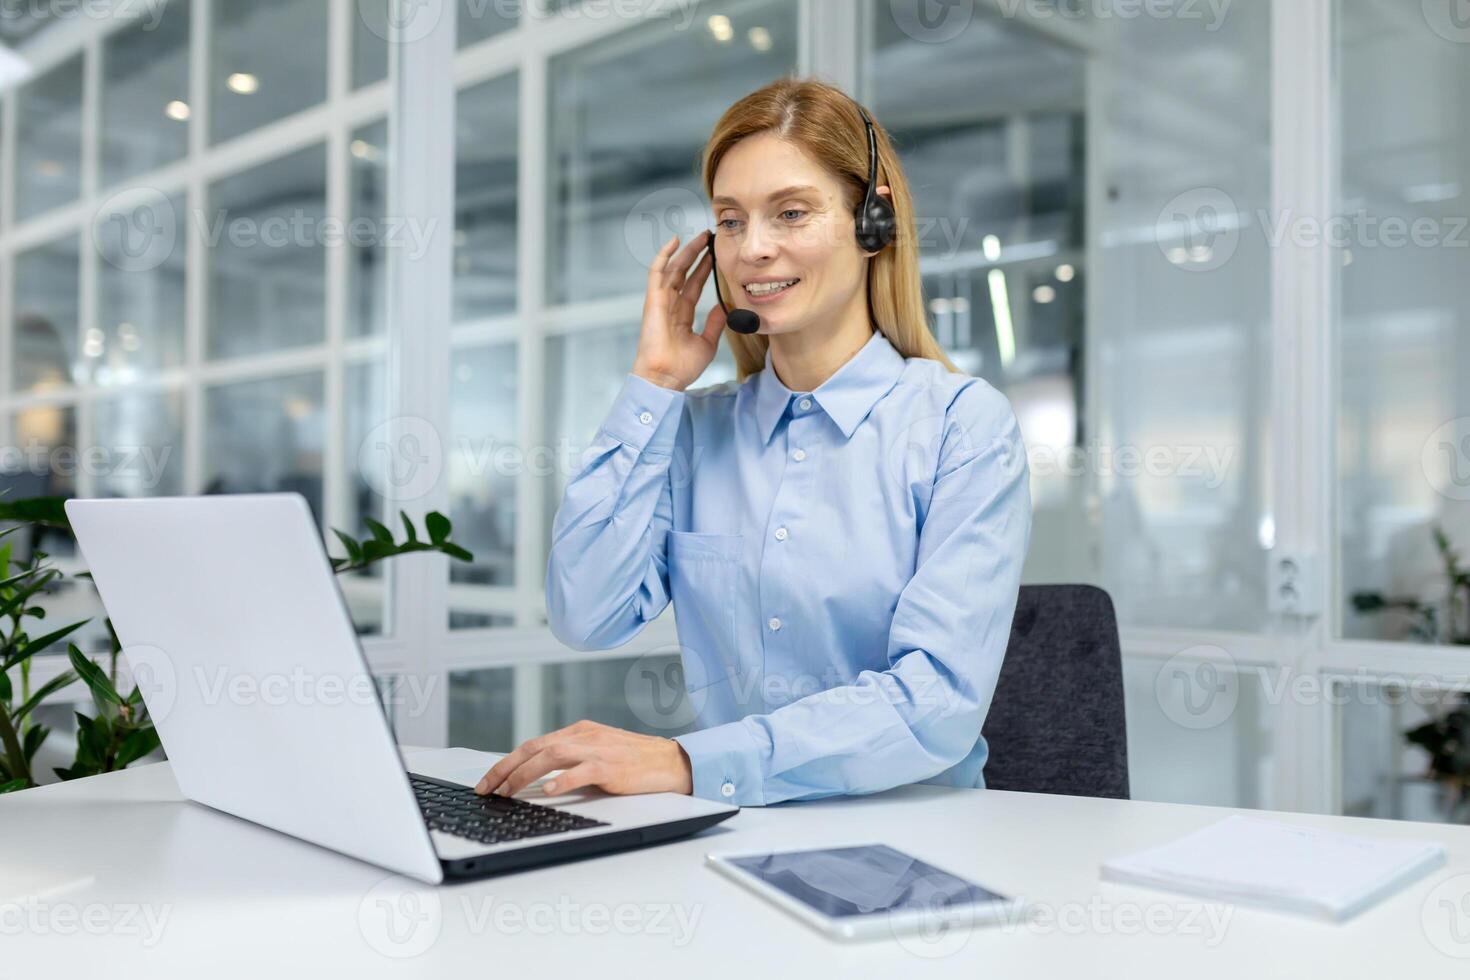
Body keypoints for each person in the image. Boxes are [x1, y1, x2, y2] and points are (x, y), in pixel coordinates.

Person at [476, 77, 1031, 806]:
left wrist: (688, 764)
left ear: (874, 224)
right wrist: (654, 385)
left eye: (791, 213)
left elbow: (937, 704)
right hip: (734, 832)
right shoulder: (696, 432)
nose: (753, 250)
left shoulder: (963, 426)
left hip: (911, 841)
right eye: (730, 222)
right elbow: (586, 612)